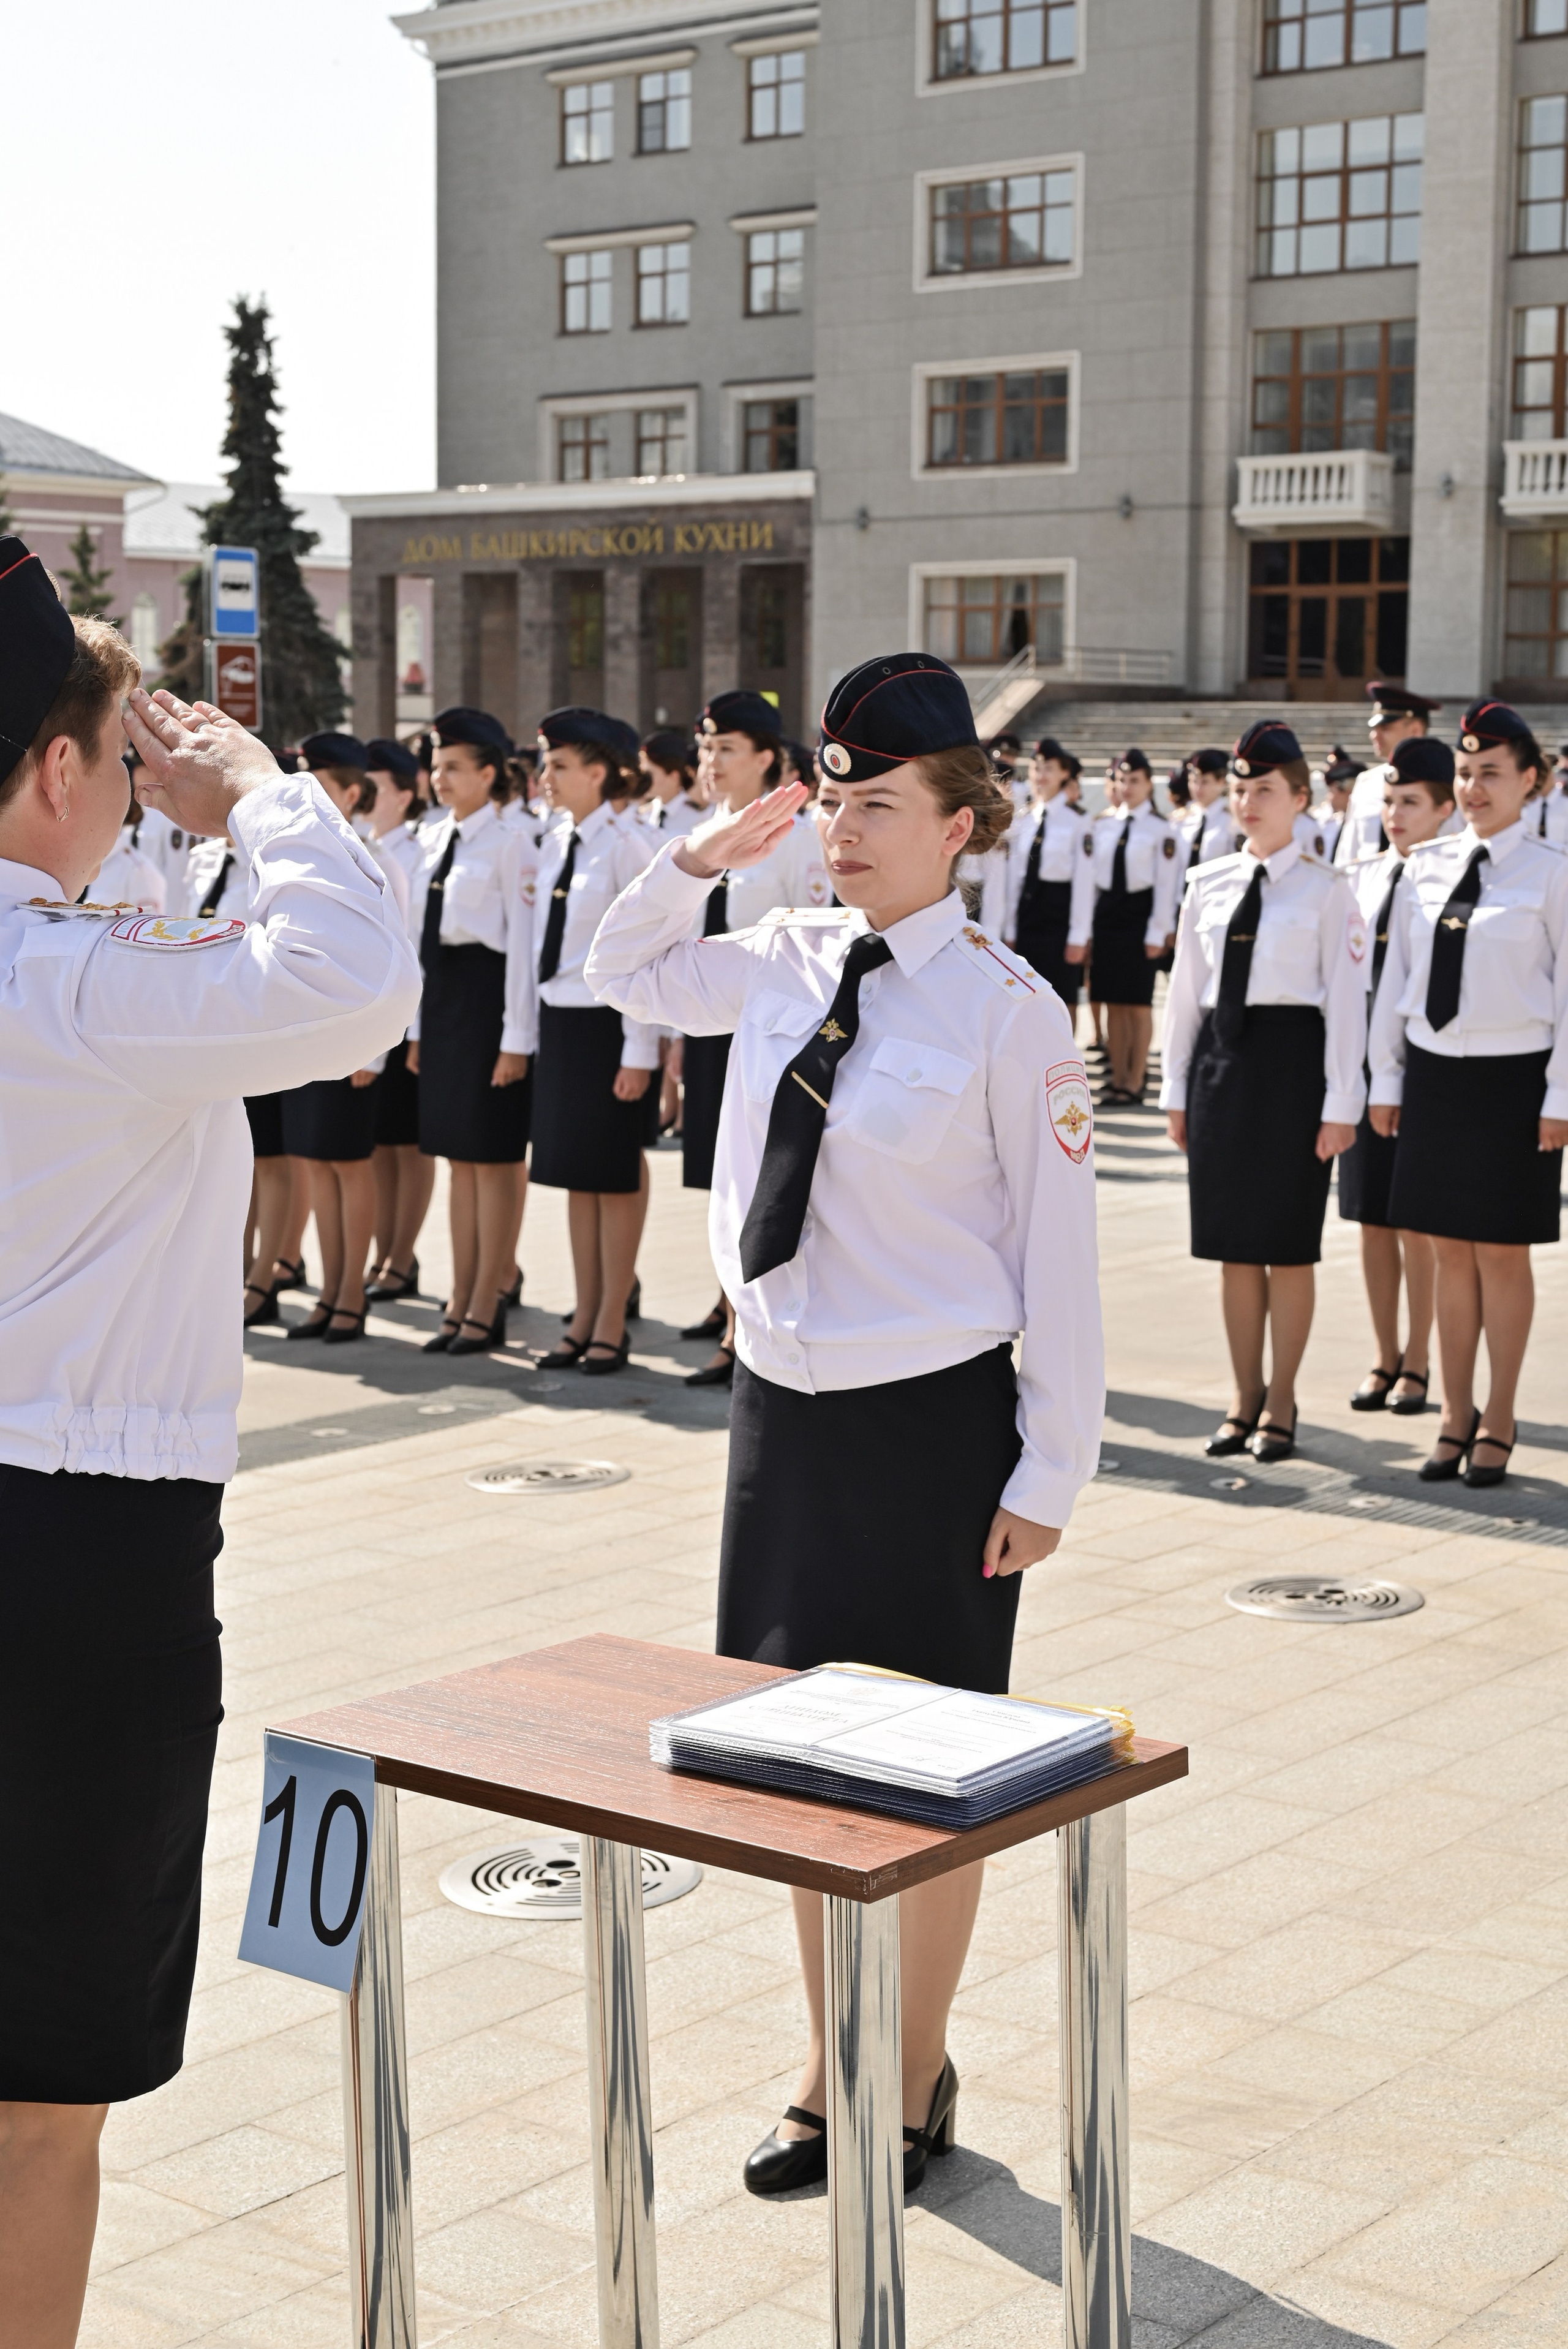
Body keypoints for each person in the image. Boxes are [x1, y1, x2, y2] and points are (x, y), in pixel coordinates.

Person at [585, 649, 1101, 2200]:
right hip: (784, 1421)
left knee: (929, 1775)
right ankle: (832, 2058)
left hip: (935, 1431)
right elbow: (618, 964)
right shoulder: (777, 952)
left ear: (959, 823)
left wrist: (1049, 1467)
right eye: (835, 802)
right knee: (794, 1761)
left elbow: (1058, 1266)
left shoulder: (1012, 1012)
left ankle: (911, 2064)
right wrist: (693, 856)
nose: (845, 831)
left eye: (881, 805)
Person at [0, 546, 418, 2349]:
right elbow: (347, 981)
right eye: (112, 750)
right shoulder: (63, 997)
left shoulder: (72, 968)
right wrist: (261, 793)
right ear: (51, 772)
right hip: (76, 1568)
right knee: (38, 2088)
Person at [1369, 700, 1568, 1488]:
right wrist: (1386, 1079)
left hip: (1514, 1080)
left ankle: (1503, 1414)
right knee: (1447, 1250)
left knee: (1500, 1252)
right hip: (1435, 1079)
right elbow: (1395, 987)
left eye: (1491, 773)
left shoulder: (1552, 875)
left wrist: (1561, 1096)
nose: (1476, 787)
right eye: (1466, 773)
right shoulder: (1424, 868)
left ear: (1530, 780)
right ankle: (1455, 1413)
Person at [1161, 722, 1366, 1463]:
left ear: (1300, 798)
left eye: (1265, 790)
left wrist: (1343, 1102)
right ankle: (1242, 1395)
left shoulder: (1327, 889)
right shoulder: (1207, 883)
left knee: (1287, 1248)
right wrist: (1175, 1089)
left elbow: (1346, 1004)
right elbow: (1186, 996)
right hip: (1223, 1068)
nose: (1248, 802)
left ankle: (1282, 1400)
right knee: (1233, 1250)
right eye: (1240, 789)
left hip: (1292, 1075)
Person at [676, 692, 831, 1387]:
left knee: (761, 1177)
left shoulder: (799, 837)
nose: (710, 761)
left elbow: (818, 942)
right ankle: (726, 1306)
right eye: (706, 748)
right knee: (721, 1174)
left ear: (767, 758)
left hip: (775, 1035)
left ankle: (748, 1329)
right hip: (714, 1028)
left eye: (726, 749)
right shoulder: (703, 832)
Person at [530, 708, 660, 1376]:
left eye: (557, 765)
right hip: (562, 1020)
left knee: (613, 1170)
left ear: (599, 772)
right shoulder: (556, 840)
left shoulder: (628, 845)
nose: (544, 777)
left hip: (609, 1024)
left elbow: (646, 951)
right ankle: (583, 1312)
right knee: (578, 1175)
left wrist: (640, 1049)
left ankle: (614, 1317)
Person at [405, 706, 534, 1357]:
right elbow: (420, 945)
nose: (440, 778)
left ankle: (490, 1297)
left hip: (490, 1005)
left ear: (489, 773)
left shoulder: (513, 842)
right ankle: (459, 1296)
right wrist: (417, 1029)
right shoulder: (431, 840)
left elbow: (522, 949)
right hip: (447, 1002)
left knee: (493, 1159)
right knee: (458, 1160)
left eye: (455, 767)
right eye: (436, 765)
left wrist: (517, 1038)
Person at [1338, 739, 1455, 1417]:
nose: (1395, 813)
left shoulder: (1453, 879)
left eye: (1411, 802)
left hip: (1426, 1072)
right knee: (1371, 1220)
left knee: (1418, 1224)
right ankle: (1383, 1355)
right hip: (1363, 1069)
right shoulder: (1359, 877)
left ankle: (1419, 1358)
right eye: (1388, 800)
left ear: (1445, 807)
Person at [274, 735, 393, 1347]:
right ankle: (327, 1289)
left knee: (348, 1164)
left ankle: (352, 1294)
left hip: (354, 1039)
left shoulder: (375, 859)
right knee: (316, 1165)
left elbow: (399, 962)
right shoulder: (299, 859)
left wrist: (374, 1050)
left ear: (352, 792)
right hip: (309, 1038)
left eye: (320, 786)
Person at [362, 737, 434, 1303]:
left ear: (408, 795)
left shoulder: (421, 851)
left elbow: (419, 946)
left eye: (378, 789)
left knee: (410, 1145)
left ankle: (403, 1253)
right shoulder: (361, 846)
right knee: (382, 1144)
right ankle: (385, 1248)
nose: (365, 797)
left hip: (411, 1016)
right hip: (376, 1014)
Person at [1084, 748, 1180, 1105]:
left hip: (1141, 918)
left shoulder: (1161, 829)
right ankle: (1117, 1077)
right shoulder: (1104, 824)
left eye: (1134, 780)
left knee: (1138, 1003)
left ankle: (1135, 1080)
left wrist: (1159, 931)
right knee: (1112, 1001)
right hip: (1108, 916)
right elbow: (1093, 881)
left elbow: (1167, 885)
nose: (1127, 787)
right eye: (1122, 780)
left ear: (1148, 784)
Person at [1004, 734, 1091, 1013]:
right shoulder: (1024, 819)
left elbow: (1084, 884)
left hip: (1059, 919)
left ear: (1065, 774)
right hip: (1028, 917)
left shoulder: (1079, 822)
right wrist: (1010, 928)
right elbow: (1014, 882)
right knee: (1025, 1000)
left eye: (1049, 769)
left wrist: (1078, 936)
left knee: (1062, 1001)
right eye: (1036, 768)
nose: (1041, 776)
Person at [1335, 683, 1439, 865]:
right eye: (1375, 729)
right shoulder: (1366, 783)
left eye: (1385, 728)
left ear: (1415, 729)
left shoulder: (1444, 783)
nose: (1374, 736)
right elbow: (1347, 856)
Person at [639, 728, 705, 834]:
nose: (644, 780)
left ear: (674, 776)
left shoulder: (700, 817)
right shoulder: (643, 815)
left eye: (650, 774)